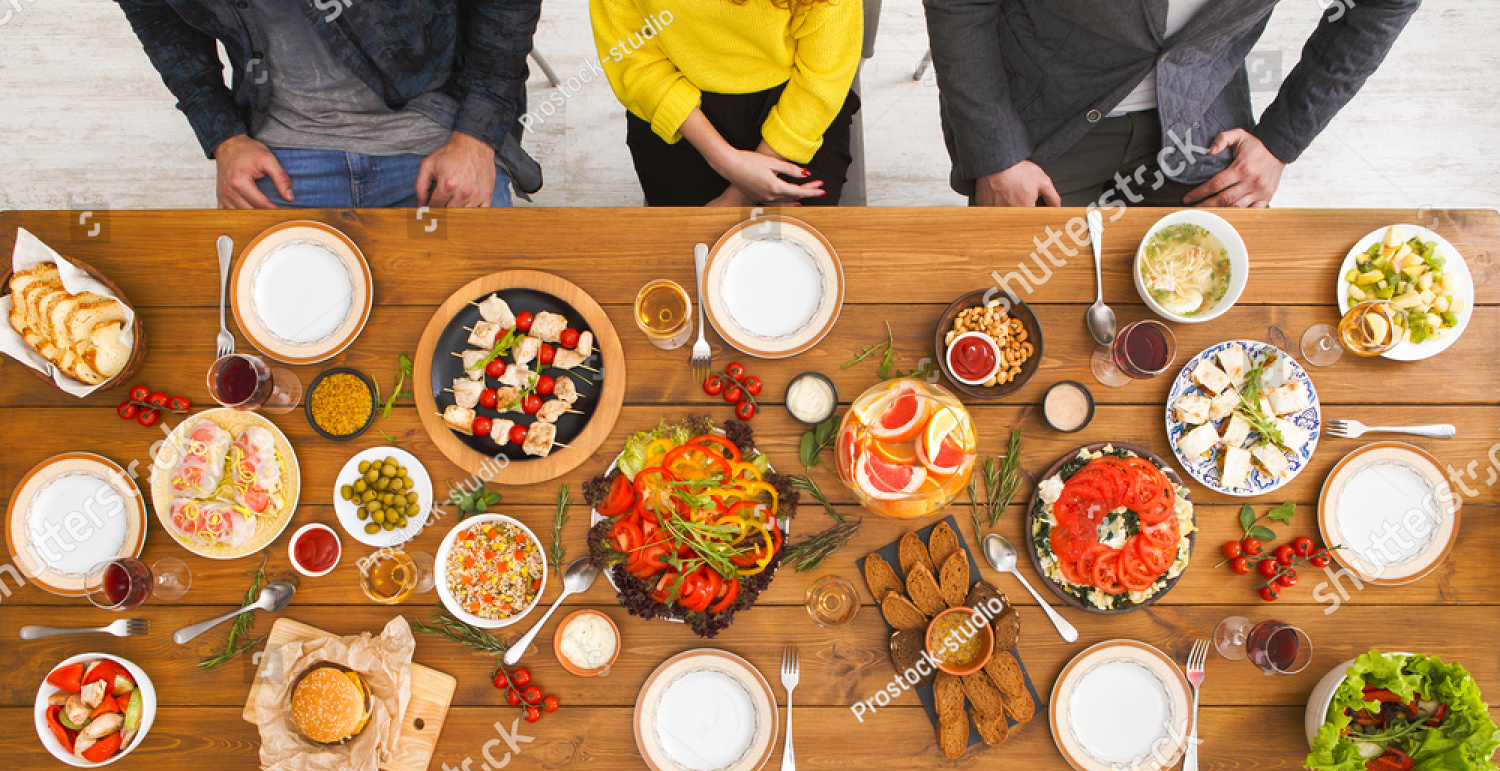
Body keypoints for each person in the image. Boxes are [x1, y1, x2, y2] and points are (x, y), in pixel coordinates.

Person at [921, 0, 1420, 207]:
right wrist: (996, 153)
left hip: (1202, 118)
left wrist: (1281, 140)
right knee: (1014, 299)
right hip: (1040, 117)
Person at [116, 0, 542, 209]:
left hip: (436, 132)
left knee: (482, 341)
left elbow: (505, 11)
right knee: (274, 352)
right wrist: (225, 138)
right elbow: (166, 33)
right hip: (283, 153)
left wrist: (475, 138)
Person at [590, 0, 863, 206]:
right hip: (681, 113)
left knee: (791, 256)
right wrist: (726, 161)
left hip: (796, 110)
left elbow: (824, 77)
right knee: (691, 259)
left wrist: (737, 196)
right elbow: (632, 58)